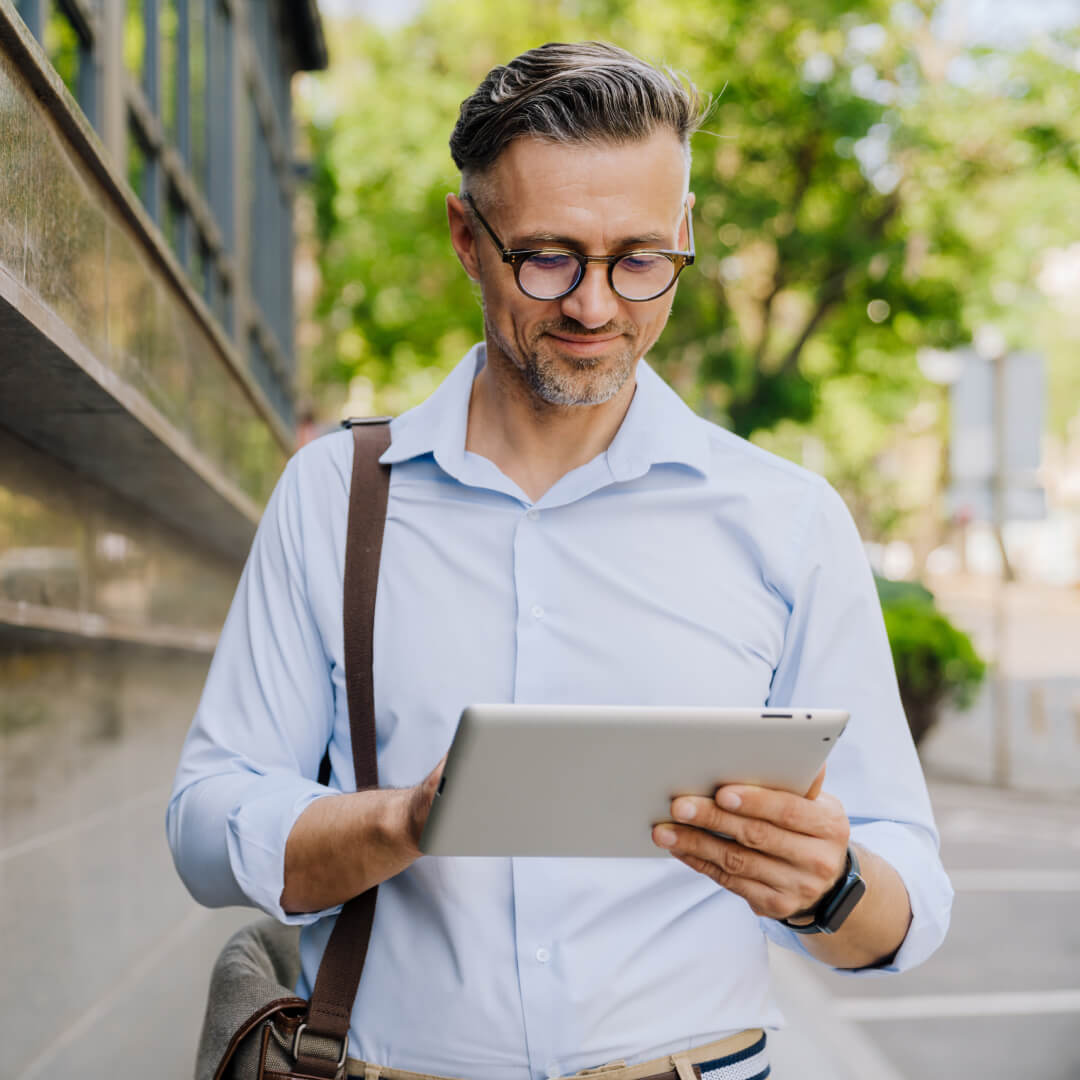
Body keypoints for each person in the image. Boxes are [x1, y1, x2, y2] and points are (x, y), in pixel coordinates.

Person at [169, 41, 952, 1080]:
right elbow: (203, 823)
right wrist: (400, 820)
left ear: (683, 235)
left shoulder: (787, 520)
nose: (595, 306)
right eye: (548, 257)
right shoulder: (338, 499)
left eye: (639, 259)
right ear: (466, 236)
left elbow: (911, 901)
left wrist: (832, 886)